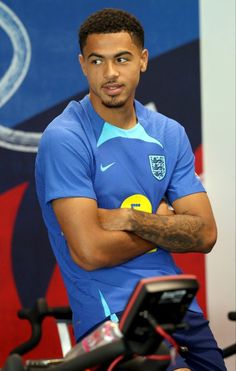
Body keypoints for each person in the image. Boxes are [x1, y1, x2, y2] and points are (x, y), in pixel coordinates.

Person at [35, 8, 226, 370]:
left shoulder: (169, 132)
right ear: (82, 64)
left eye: (121, 59)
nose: (109, 73)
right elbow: (90, 251)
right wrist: (164, 226)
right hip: (112, 316)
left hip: (176, 303)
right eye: (97, 61)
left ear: (142, 60)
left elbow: (206, 234)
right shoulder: (66, 137)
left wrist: (129, 219)